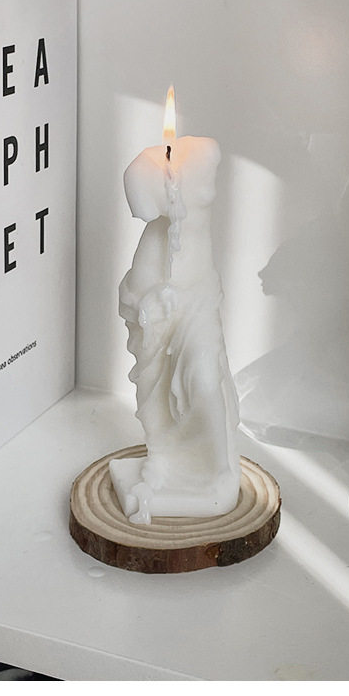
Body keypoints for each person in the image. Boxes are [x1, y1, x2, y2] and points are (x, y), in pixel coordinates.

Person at [111, 135, 240, 524]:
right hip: (158, 309)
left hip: (198, 301)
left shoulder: (206, 155)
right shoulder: (152, 172)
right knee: (159, 391)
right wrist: (151, 303)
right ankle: (165, 457)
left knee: (203, 378)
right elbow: (141, 208)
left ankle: (216, 472)